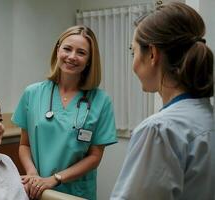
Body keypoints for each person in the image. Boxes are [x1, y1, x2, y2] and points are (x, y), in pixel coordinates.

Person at [111, 2, 214, 200]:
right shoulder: (206, 118)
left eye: (133, 52)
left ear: (152, 54)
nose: (133, 63)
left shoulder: (160, 129)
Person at [12, 25, 118, 200]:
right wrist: (32, 174)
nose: (72, 57)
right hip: (38, 190)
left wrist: (55, 179)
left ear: (90, 60)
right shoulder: (33, 93)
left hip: (75, 193)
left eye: (81, 52)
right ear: (57, 50)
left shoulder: (101, 100)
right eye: (67, 49)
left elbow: (94, 157)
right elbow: (25, 145)